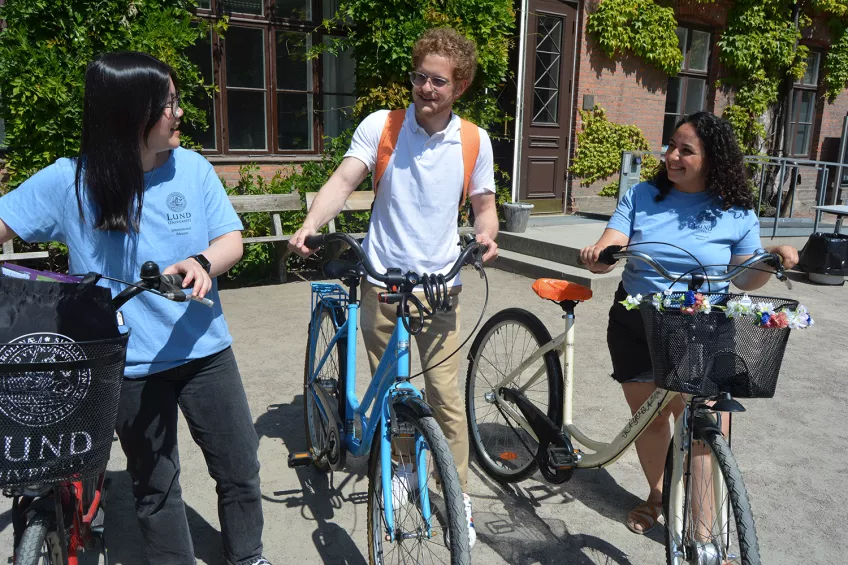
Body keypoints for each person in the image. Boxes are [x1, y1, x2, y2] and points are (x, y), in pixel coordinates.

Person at [0, 51, 270, 565]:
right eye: (168, 103)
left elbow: (231, 239)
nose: (180, 113)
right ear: (130, 112)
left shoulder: (191, 168)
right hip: (126, 365)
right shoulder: (70, 182)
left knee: (240, 468)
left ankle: (248, 556)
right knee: (156, 485)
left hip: (204, 349)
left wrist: (204, 262)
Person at [289, 27, 499, 548]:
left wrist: (487, 237)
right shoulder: (383, 126)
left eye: (438, 81)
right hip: (381, 279)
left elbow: (484, 207)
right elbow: (345, 179)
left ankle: (458, 496)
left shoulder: (474, 140)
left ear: (461, 86)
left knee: (444, 396)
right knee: (390, 394)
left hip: (439, 285)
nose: (426, 88)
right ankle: (403, 474)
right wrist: (311, 223)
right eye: (419, 77)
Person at [580, 112, 799, 535]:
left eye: (685, 150)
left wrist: (769, 261)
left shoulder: (735, 211)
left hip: (704, 326)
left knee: (706, 425)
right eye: (670, 146)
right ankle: (658, 497)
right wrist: (599, 253)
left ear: (713, 159)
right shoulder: (642, 196)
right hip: (638, 320)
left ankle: (702, 534)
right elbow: (613, 243)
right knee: (650, 417)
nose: (671, 156)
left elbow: (745, 277)